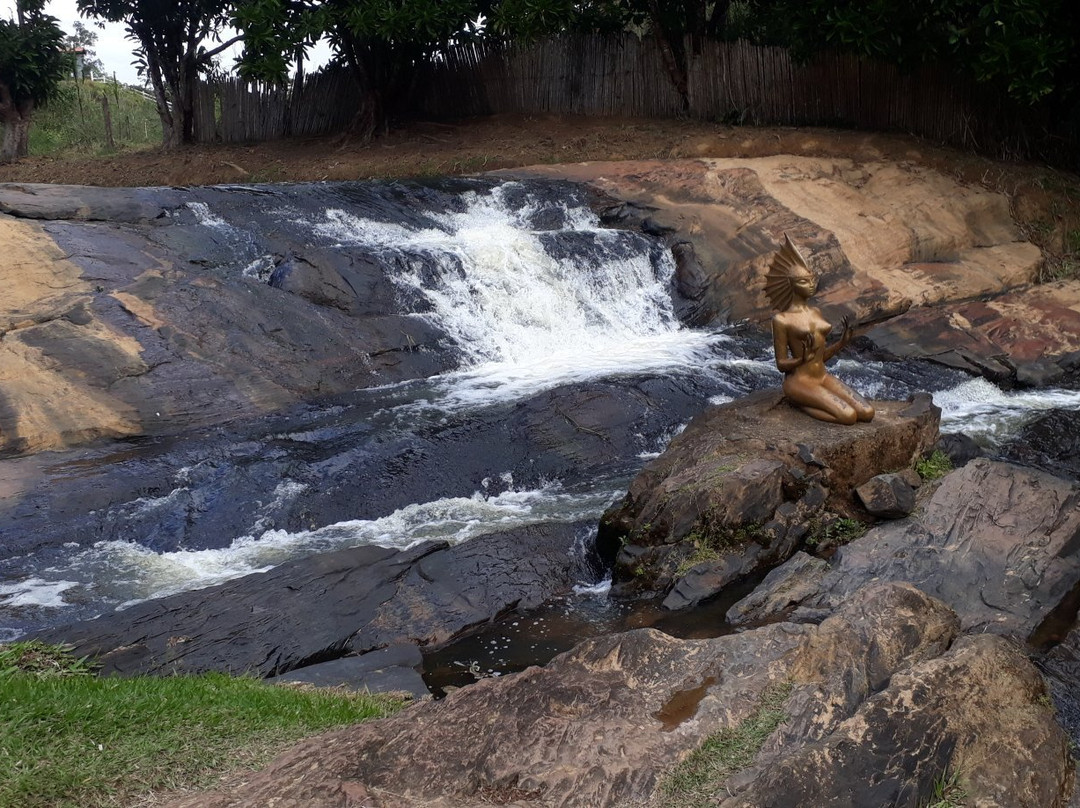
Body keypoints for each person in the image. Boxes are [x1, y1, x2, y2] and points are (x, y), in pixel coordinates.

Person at [766, 234, 874, 425]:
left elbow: (819, 356)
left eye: (811, 280)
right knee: (848, 416)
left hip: (822, 376)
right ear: (791, 285)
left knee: (867, 412)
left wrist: (841, 343)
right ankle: (800, 404)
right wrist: (801, 359)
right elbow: (781, 364)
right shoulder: (782, 319)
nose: (810, 285)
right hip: (799, 381)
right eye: (803, 281)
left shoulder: (816, 312)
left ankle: (811, 401)